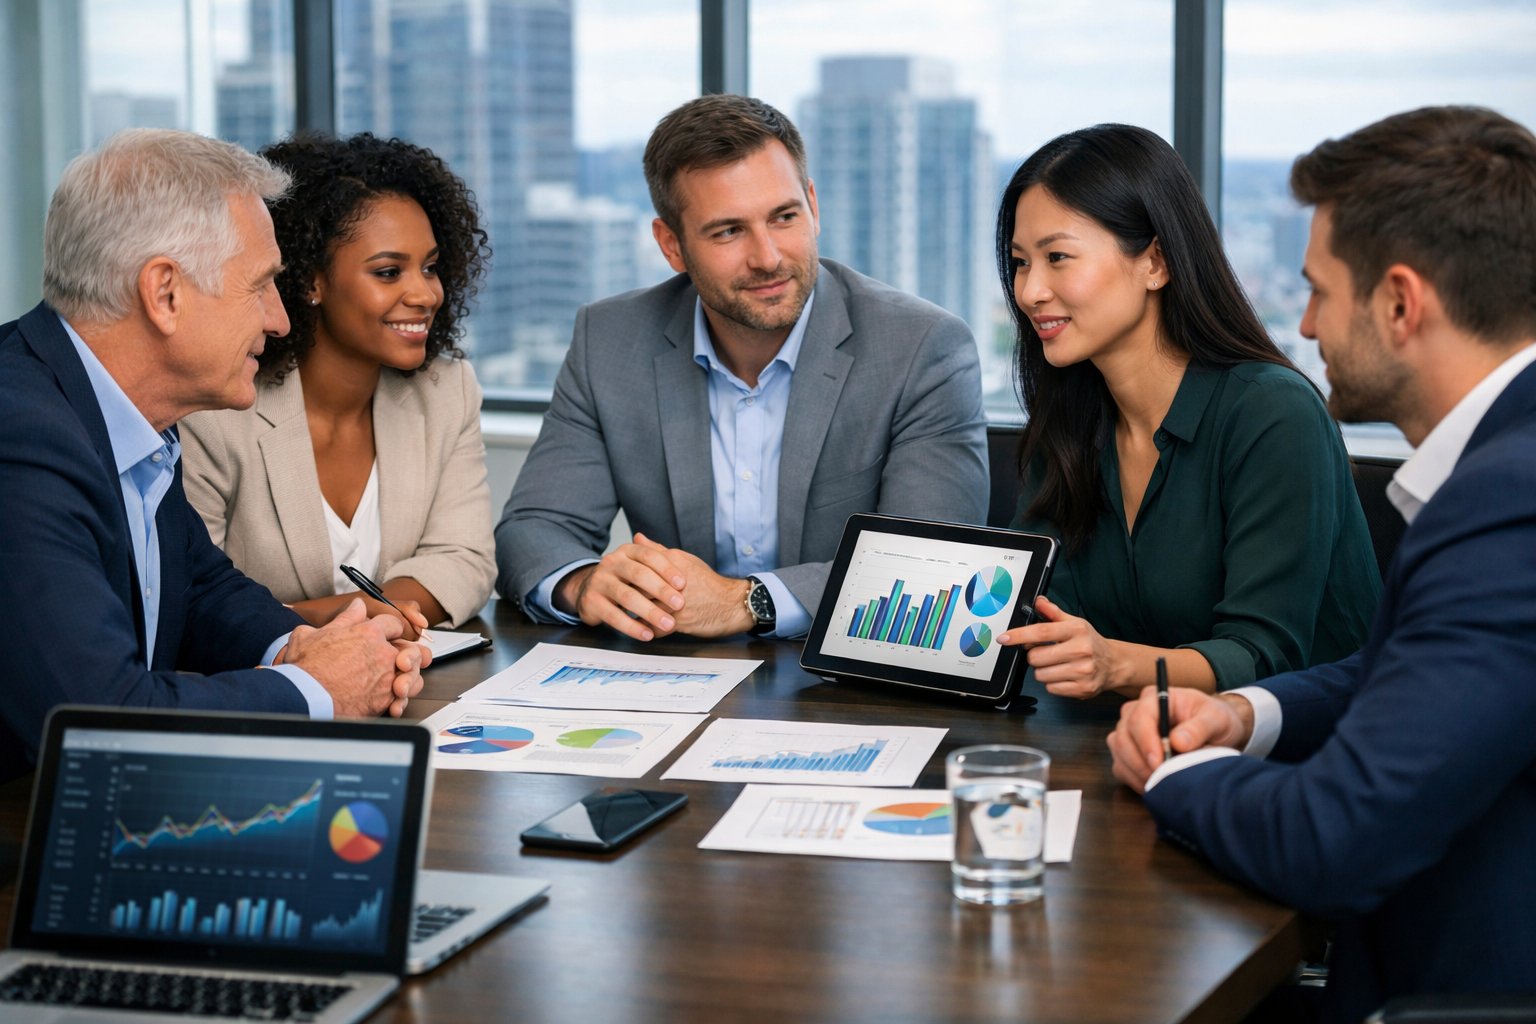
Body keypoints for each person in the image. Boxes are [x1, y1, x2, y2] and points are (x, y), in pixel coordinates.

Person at [1107, 106, 1536, 1021]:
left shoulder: (1510, 502)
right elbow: (1432, 677)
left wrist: (1173, 775)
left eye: (1317, 291)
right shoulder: (1509, 462)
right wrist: (1244, 715)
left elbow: (1331, 838)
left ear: (1399, 303)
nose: (1302, 326)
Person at [0, 129, 427, 783]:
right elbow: (95, 720)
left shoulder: (125, 414)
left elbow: (199, 587)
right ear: (164, 293)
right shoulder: (21, 437)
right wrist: (319, 689)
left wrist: (308, 645)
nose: (279, 320)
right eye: (259, 286)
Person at [495, 94, 988, 641]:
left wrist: (746, 602)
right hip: (673, 687)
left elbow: (933, 568)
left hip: (848, 691)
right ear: (671, 245)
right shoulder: (610, 341)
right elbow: (533, 529)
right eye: (728, 231)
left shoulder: (921, 347)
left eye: (784, 217)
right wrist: (587, 585)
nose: (768, 257)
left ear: (814, 206)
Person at [992, 124, 1379, 698]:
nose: (1029, 292)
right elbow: (1037, 611)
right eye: (1021, 262)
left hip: (1296, 755)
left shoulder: (1273, 414)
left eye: (1057, 257)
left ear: (1156, 262)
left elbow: (1264, 656)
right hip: (1124, 749)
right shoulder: (1071, 420)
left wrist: (1114, 665)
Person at [181, 133, 496, 634]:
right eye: (389, 272)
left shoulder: (446, 391)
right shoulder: (217, 411)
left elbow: (464, 561)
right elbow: (193, 604)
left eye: (431, 268)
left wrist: (328, 620)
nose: (425, 294)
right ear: (310, 280)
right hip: (261, 694)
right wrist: (371, 619)